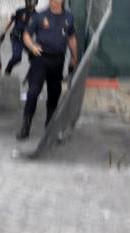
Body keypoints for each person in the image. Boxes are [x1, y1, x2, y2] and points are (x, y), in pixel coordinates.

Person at [16, 0, 78, 140]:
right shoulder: (39, 16)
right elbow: (26, 35)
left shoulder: (68, 17)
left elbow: (71, 37)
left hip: (58, 61)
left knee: (54, 93)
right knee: (33, 92)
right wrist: (32, 47)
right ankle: (25, 126)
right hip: (40, 60)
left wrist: (74, 57)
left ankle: (49, 126)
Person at [0, 0, 37, 75]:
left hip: (28, 39)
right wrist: (4, 32)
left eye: (31, 1)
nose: (29, 3)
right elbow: (11, 21)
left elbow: (38, 28)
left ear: (35, 3)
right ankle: (8, 68)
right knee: (17, 57)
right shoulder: (19, 11)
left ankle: (32, 75)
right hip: (17, 37)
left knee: (36, 57)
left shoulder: (37, 15)